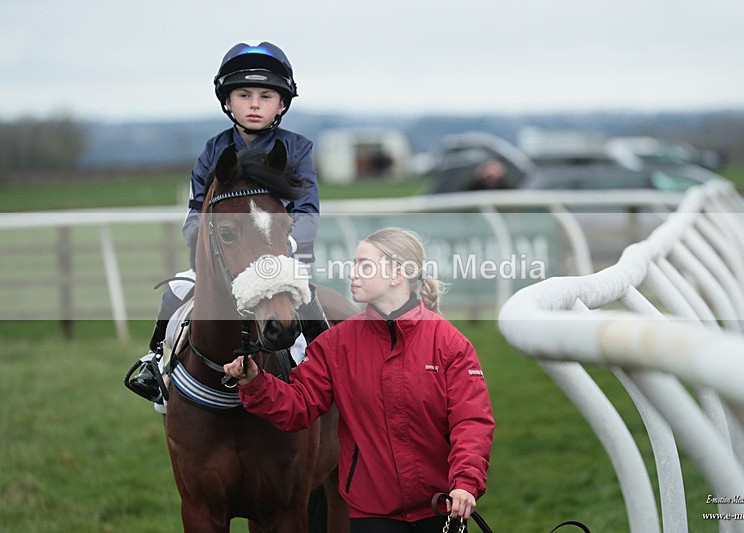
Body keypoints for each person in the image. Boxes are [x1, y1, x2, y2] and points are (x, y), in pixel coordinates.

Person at [223, 227, 495, 532]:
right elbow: (298, 406)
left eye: (364, 265)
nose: (351, 273)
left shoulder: (450, 343)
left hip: (442, 508)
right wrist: (256, 382)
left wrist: (465, 484)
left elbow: (471, 422)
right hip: (370, 516)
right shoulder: (336, 344)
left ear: (397, 275)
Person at [125, 41, 326, 405]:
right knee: (176, 292)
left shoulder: (298, 150)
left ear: (282, 104)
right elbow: (194, 213)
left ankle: (330, 368)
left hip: (283, 258)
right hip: (223, 260)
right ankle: (156, 362)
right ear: (227, 102)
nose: (254, 104)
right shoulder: (212, 151)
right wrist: (204, 242)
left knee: (310, 306)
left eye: (265, 95)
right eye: (244, 94)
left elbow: (307, 213)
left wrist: (284, 248)